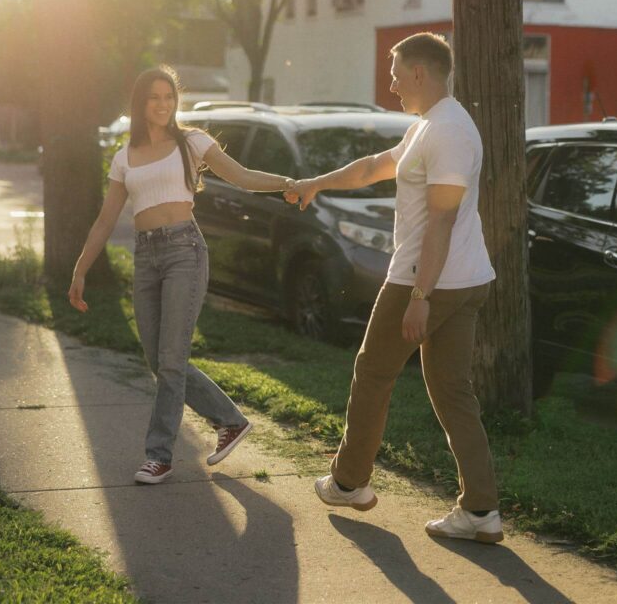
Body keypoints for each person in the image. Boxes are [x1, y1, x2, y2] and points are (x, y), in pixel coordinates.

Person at [285, 32, 503, 543]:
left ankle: (348, 482)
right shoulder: (429, 126)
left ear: (420, 73)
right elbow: (374, 167)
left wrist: (421, 298)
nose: (391, 82)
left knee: (373, 373)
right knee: (452, 392)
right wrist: (317, 182)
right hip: (465, 279)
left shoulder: (448, 131)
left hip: (427, 280)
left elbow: (442, 223)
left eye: (396, 73)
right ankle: (480, 511)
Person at [68, 65, 295, 485]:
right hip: (145, 257)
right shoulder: (124, 157)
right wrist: (80, 270)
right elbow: (104, 221)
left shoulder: (190, 142)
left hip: (183, 252)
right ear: (140, 103)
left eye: (169, 97)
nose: (163, 104)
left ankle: (159, 455)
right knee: (159, 360)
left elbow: (241, 176)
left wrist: (287, 183)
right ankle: (230, 420)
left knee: (171, 360)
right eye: (154, 97)